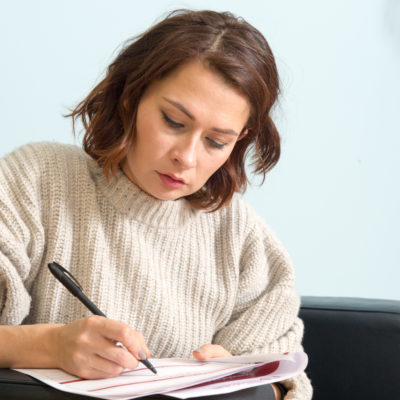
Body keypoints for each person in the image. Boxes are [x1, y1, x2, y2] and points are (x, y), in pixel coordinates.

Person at [0, 9, 312, 400]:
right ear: (132, 97)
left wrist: (242, 382)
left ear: (240, 140)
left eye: (216, 141)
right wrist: (50, 346)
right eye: (173, 121)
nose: (187, 156)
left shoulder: (243, 239)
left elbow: (289, 385)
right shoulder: (36, 180)